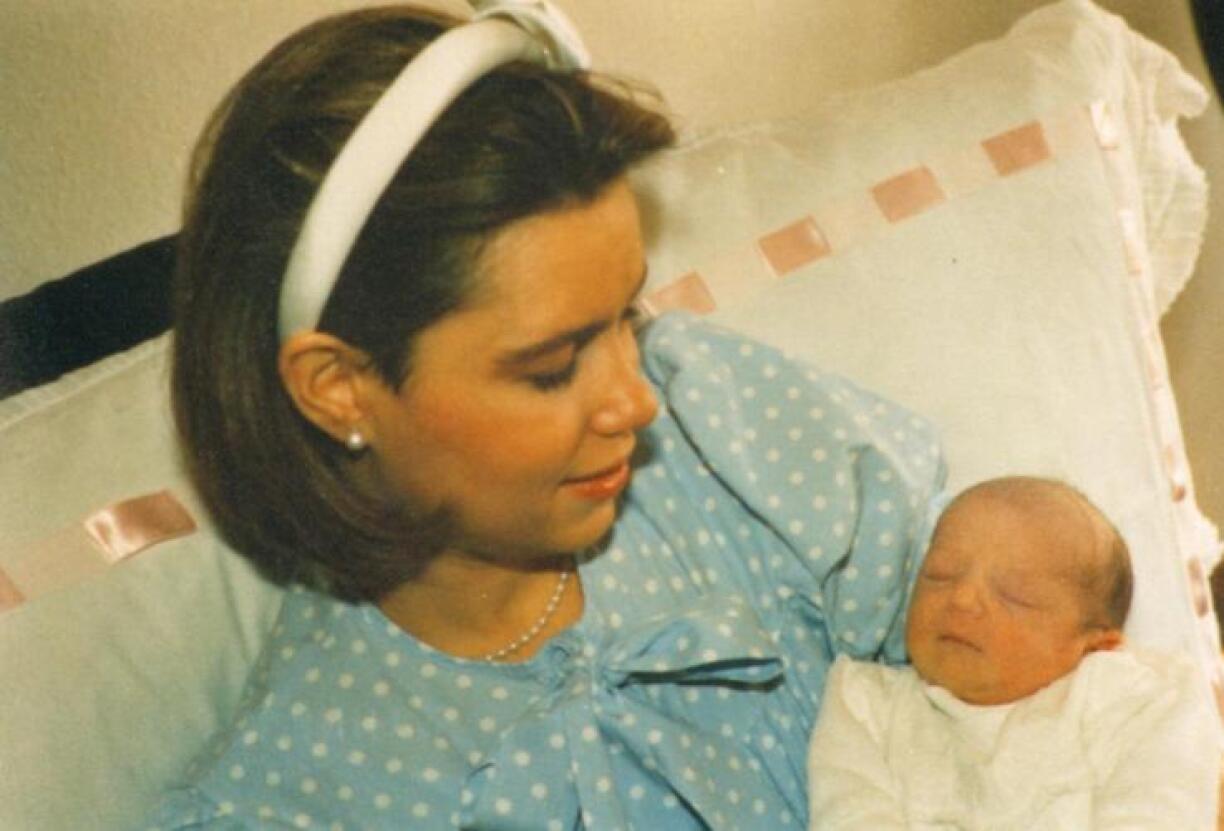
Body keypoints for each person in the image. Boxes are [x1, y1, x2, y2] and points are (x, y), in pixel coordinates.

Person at [146, 3, 946, 829]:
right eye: (552, 368)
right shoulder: (291, 800)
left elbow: (1026, 664)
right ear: (339, 387)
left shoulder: (724, 438)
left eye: (626, 317)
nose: (638, 401)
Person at [807, 476, 1220, 830]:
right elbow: (850, 813)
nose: (963, 599)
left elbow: (1161, 807)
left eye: (1015, 596)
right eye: (940, 575)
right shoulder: (864, 703)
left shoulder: (1135, 698)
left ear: (1096, 646)